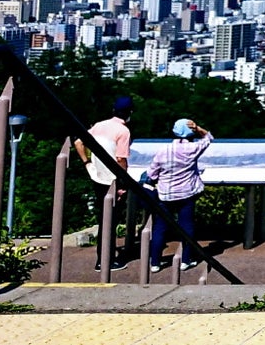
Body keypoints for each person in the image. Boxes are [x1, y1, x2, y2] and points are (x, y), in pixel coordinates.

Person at [145, 118, 215, 271]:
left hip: (166, 195)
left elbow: (152, 173)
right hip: (186, 194)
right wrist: (198, 128)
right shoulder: (193, 149)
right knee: (187, 227)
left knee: (160, 229)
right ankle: (186, 260)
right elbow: (209, 138)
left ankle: (155, 263)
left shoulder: (164, 150)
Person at [76, 96, 136, 270]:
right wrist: (123, 182)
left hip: (98, 176)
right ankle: (105, 260)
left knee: (103, 218)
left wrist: (87, 162)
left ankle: (101, 258)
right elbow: (121, 159)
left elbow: (78, 142)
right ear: (130, 112)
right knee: (111, 220)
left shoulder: (99, 125)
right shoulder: (123, 132)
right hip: (113, 179)